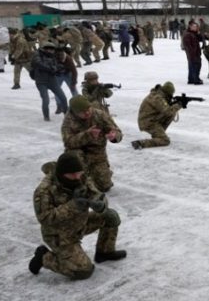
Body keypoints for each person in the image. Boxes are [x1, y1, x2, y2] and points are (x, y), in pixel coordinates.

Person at [29, 152, 126, 280]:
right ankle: (43, 257)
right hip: (59, 235)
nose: (76, 177)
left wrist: (100, 204)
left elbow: (96, 194)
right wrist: (73, 205)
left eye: (78, 173)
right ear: (61, 174)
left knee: (110, 216)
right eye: (71, 175)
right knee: (83, 271)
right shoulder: (44, 190)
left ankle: (105, 252)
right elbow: (46, 219)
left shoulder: (82, 177)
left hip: (80, 223)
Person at [62, 96, 123, 192]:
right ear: (75, 113)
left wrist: (114, 136)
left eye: (88, 109)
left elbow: (117, 131)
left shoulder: (99, 115)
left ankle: (99, 172)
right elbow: (68, 143)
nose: (87, 112)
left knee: (105, 186)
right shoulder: (69, 121)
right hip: (78, 153)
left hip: (97, 153)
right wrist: (87, 135)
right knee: (79, 187)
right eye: (83, 112)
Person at [132, 82, 182, 149]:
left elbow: (166, 109)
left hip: (150, 120)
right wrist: (178, 105)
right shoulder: (157, 98)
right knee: (165, 140)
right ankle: (141, 143)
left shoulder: (157, 94)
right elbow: (168, 111)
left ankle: (159, 133)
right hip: (148, 123)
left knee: (172, 113)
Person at [31, 41, 68, 121]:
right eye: (49, 49)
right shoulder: (37, 55)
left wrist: (58, 68)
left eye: (52, 50)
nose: (51, 51)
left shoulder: (52, 56)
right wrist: (50, 69)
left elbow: (55, 66)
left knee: (63, 98)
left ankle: (67, 115)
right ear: (45, 49)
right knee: (46, 99)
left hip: (52, 80)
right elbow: (38, 64)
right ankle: (46, 117)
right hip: (41, 81)